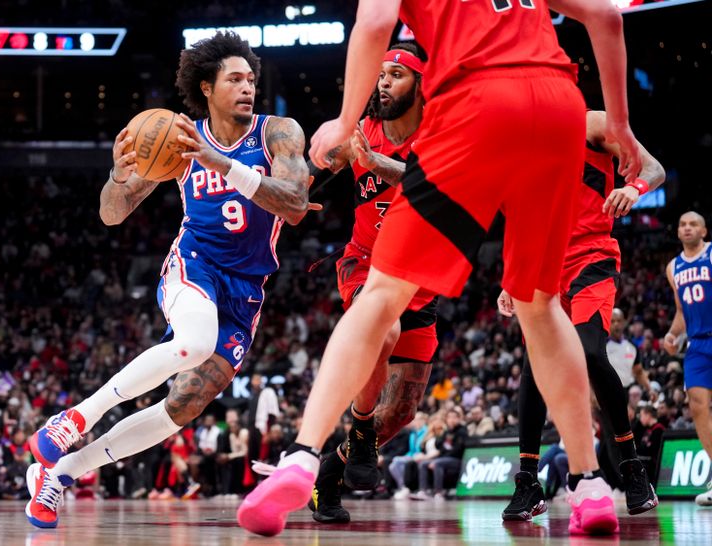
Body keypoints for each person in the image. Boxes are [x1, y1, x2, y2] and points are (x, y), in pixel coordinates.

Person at [238, 0, 642, 537]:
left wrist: (342, 115)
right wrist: (620, 124)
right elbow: (607, 17)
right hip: (558, 103)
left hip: (475, 100)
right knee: (541, 305)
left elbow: (376, 24)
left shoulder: (403, 119)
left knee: (383, 297)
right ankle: (590, 487)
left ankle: (302, 456)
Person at [24, 31, 315, 528]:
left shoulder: (278, 133)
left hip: (246, 290)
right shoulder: (177, 139)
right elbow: (112, 215)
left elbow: (293, 205)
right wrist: (118, 178)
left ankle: (60, 473)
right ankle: (74, 419)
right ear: (206, 86)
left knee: (182, 405)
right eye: (235, 79)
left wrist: (221, 163)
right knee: (195, 340)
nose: (248, 88)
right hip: (193, 265)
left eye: (251, 79)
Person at [497, 110, 664, 520]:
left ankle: (631, 465)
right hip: (541, 269)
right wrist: (510, 278)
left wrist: (635, 187)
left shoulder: (590, 123)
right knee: (534, 368)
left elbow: (655, 168)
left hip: (591, 257)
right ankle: (527, 481)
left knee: (590, 354)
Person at [308, 42, 438, 524]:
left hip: (421, 279)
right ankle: (359, 428)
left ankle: (329, 474)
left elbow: (437, 183)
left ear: (421, 86)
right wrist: (295, 190)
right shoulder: (361, 132)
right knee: (384, 331)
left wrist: (382, 166)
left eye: (396, 75)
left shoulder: (442, 133)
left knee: (401, 413)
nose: (382, 82)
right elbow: (308, 171)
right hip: (366, 265)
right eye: (379, 73)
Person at [663, 211, 712, 506]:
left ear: (704, 230)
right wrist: (672, 335)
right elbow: (681, 312)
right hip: (696, 344)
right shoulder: (673, 267)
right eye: (682, 224)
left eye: (693, 223)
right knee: (698, 406)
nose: (687, 228)